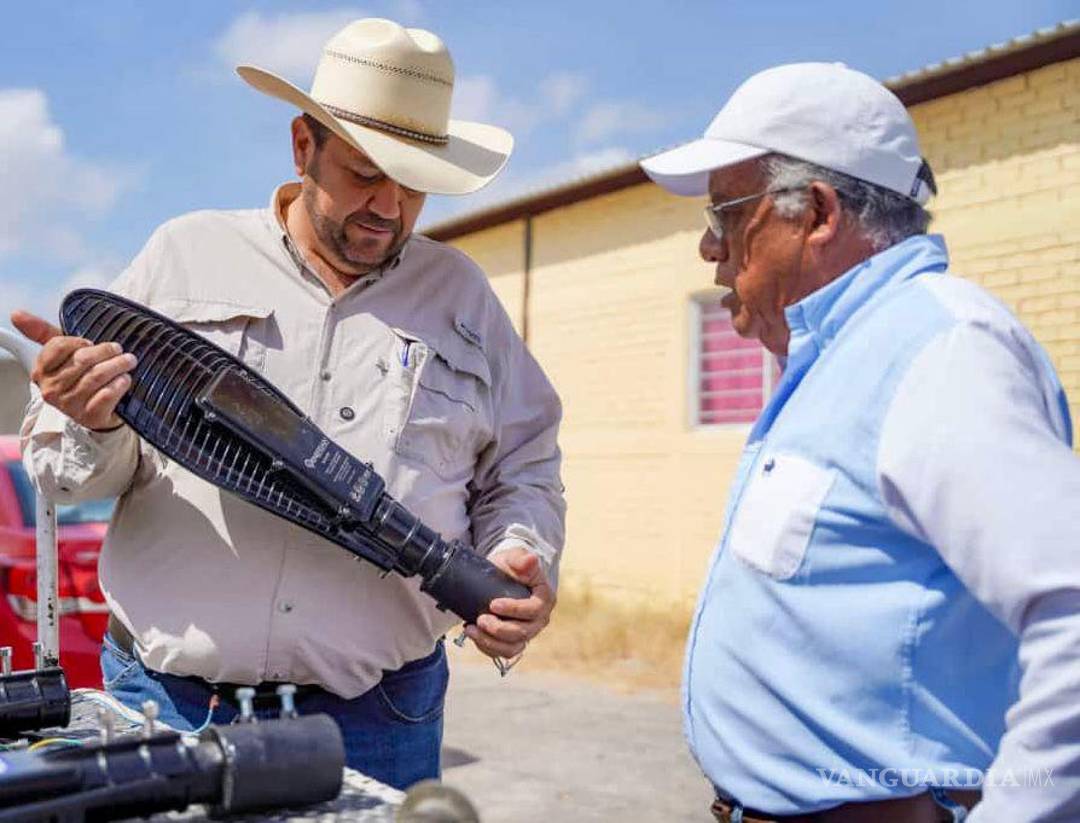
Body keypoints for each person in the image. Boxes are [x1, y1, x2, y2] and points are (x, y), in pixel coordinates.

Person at [14, 18, 565, 790]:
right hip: (170, 706)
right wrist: (94, 416)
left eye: (414, 184)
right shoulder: (183, 255)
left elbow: (526, 462)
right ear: (303, 146)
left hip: (380, 720)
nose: (389, 205)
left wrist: (520, 551)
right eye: (365, 171)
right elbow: (65, 478)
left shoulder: (463, 297)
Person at [640, 62, 1080, 822]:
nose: (710, 250)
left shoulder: (942, 350)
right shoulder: (835, 356)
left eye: (724, 216)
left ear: (815, 212)